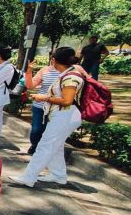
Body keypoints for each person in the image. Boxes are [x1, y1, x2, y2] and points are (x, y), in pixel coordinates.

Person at [10, 47, 85, 187]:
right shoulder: (68, 73)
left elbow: (67, 101)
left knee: (45, 145)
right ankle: (58, 175)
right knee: (56, 147)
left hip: (65, 115)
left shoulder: (71, 77)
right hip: (63, 115)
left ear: (54, 60)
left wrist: (44, 98)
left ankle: (29, 177)